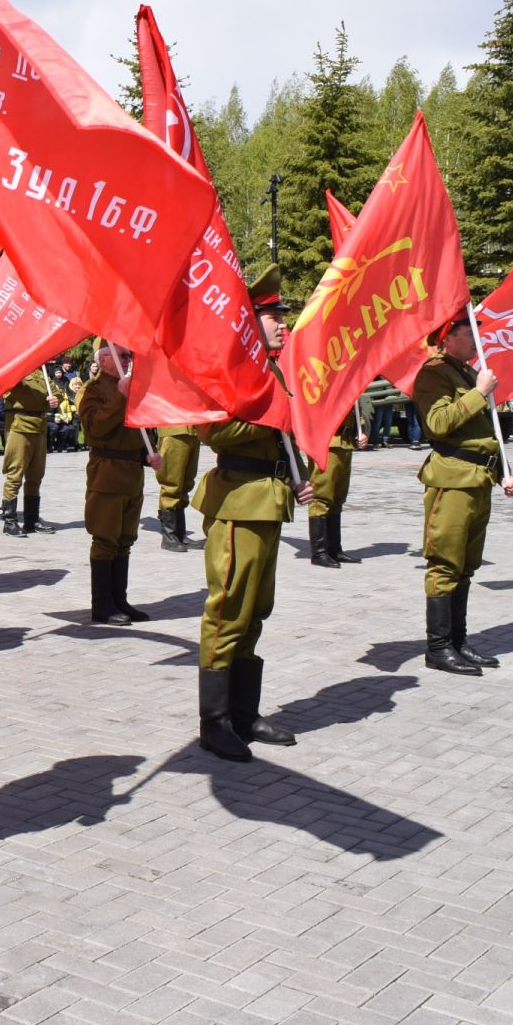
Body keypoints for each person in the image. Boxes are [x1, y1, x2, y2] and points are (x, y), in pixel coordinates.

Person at [191, 266, 313, 762]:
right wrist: (271, 413)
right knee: (228, 608)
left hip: (267, 497)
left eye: (283, 315)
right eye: (273, 316)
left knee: (256, 609)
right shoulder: (231, 368)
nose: (284, 324)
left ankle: (244, 712)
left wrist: (298, 476)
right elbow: (213, 433)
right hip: (237, 501)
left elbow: (285, 433)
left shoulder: (272, 369)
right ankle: (213, 721)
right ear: (249, 319)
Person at [414, 318, 513, 674]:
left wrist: (503, 471)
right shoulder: (434, 373)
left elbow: (484, 432)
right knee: (445, 563)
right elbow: (438, 424)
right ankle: (439, 647)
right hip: (452, 480)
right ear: (448, 337)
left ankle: (458, 641)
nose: (477, 339)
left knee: (466, 566)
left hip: (477, 479)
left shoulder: (465, 372)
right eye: (468, 333)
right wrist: (479, 392)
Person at [78, 341, 161, 625]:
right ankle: (101, 605)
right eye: (122, 355)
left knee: (125, 540)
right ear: (104, 360)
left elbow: (140, 428)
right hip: (106, 473)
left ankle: (119, 599)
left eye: (129, 355)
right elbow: (94, 430)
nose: (128, 359)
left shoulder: (131, 387)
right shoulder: (94, 390)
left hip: (130, 472)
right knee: (105, 539)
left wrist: (149, 453)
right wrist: (120, 398)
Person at [306, 396, 371, 568]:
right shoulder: (324, 382)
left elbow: (357, 410)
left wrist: (361, 430)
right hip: (327, 443)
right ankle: (319, 552)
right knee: (321, 497)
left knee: (337, 499)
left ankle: (335, 549)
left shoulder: (347, 381)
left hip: (346, 443)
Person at [0, 359, 53, 535]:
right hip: (19, 425)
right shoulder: (15, 369)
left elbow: (55, 390)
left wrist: (55, 399)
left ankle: (31, 520)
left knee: (36, 476)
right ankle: (9, 521)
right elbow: (5, 389)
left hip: (40, 426)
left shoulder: (40, 372)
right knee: (15, 474)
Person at [153, 421, 199, 553]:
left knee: (186, 482)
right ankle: (169, 536)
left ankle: (180, 534)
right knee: (172, 483)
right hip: (173, 427)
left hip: (194, 428)